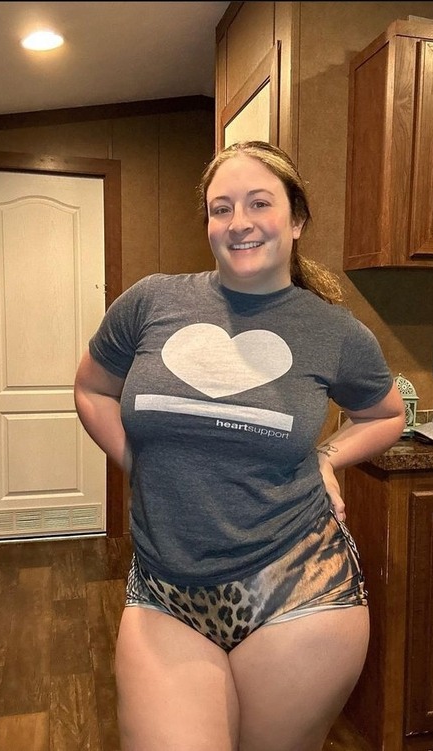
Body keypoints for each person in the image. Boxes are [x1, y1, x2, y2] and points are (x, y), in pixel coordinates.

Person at [74, 140, 405, 751]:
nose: (239, 222)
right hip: (164, 588)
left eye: (259, 203)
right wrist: (138, 462)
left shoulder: (333, 330)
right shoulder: (152, 302)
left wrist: (326, 456)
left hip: (300, 587)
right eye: (220, 208)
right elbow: (92, 389)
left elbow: (386, 414)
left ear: (296, 220)